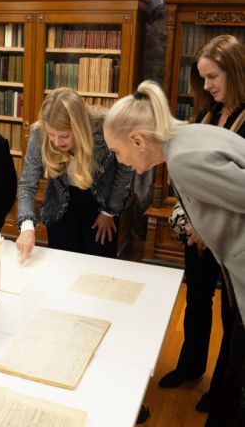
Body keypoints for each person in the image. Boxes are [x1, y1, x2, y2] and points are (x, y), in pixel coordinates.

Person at [104, 79, 245, 426]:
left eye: (118, 152)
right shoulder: (193, 135)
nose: (121, 161)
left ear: (137, 140)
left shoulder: (183, 159)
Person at [158, 35, 245, 414]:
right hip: (197, 234)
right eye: (203, 78)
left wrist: (208, 228)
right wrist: (191, 222)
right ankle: (190, 366)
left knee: (232, 316)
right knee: (195, 300)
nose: (207, 86)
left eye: (214, 76)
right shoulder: (208, 113)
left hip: (229, 240)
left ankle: (221, 386)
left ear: (236, 71)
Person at [16, 88, 134, 262]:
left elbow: (125, 169)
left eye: (64, 136)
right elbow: (27, 183)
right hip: (60, 206)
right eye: (51, 135)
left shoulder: (105, 127)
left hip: (100, 204)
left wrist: (110, 212)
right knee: (63, 267)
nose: (56, 142)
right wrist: (26, 227)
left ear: (79, 127)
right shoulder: (38, 132)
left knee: (98, 268)